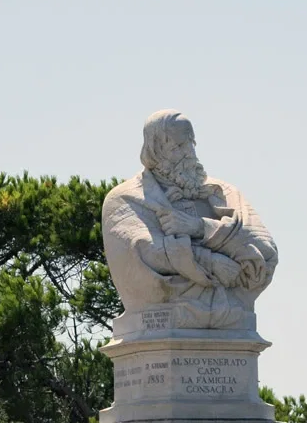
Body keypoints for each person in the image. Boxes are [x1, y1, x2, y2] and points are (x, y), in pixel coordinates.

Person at [101, 109, 278, 329]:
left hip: (232, 319)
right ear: (155, 152)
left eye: (190, 144)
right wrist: (211, 262)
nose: (189, 153)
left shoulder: (222, 193)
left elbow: (265, 250)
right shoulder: (125, 199)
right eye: (177, 147)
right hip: (163, 323)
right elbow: (144, 251)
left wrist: (201, 227)